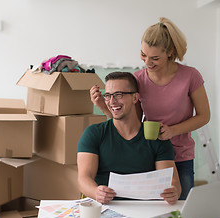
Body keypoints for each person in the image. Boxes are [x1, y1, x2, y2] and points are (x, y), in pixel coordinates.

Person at [90, 17, 210, 200]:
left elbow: (204, 116)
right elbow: (131, 121)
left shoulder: (190, 76)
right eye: (143, 55)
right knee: (149, 211)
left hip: (181, 155)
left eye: (155, 58)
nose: (147, 62)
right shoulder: (137, 80)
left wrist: (173, 131)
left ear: (170, 52)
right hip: (149, 155)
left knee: (180, 210)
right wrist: (103, 106)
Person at [77, 72, 181, 205]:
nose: (112, 101)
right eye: (108, 95)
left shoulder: (156, 136)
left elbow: (172, 182)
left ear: (135, 97)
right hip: (105, 208)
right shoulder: (94, 133)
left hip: (145, 208)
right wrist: (96, 191)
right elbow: (83, 179)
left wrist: (174, 192)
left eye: (119, 95)